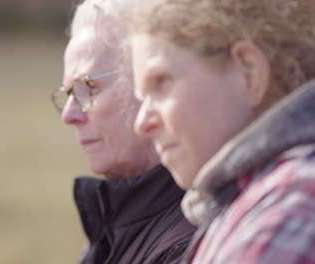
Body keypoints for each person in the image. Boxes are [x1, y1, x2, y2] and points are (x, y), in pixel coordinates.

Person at [129, 0, 315, 263]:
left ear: (249, 72)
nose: (142, 123)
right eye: (142, 97)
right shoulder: (252, 205)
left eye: (162, 82)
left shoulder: (288, 212)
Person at [51, 0, 196, 263]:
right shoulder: (117, 226)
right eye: (69, 94)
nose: (68, 115)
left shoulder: (184, 249)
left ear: (154, 83)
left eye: (88, 89)